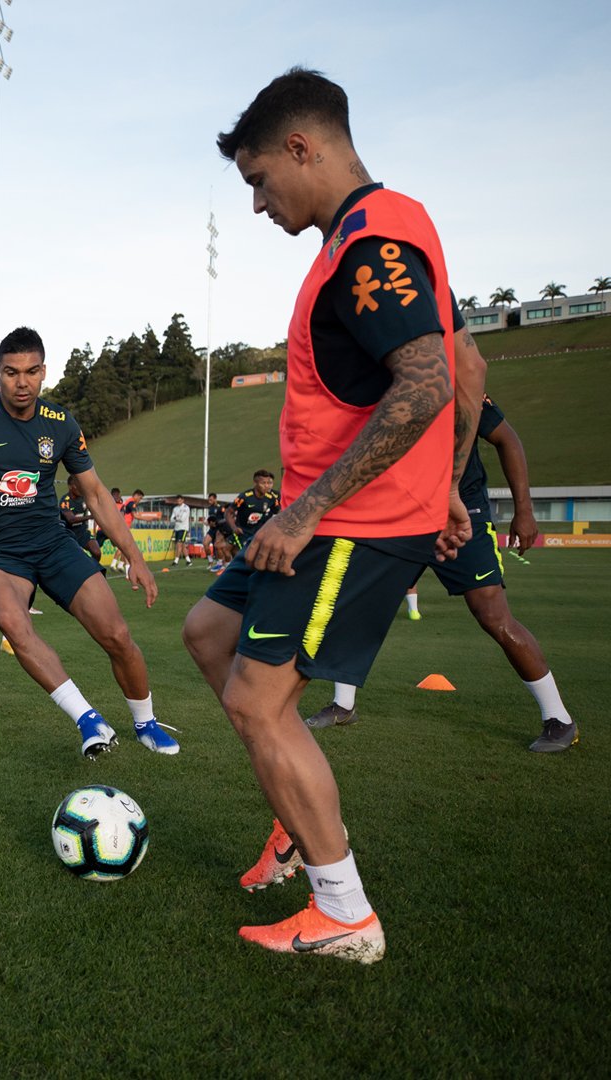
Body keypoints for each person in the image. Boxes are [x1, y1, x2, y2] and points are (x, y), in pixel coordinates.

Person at [182, 68, 481, 963]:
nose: (258, 203)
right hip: (361, 508)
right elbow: (464, 364)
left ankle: (343, 911)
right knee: (207, 634)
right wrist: (450, 485)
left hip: (349, 520)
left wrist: (310, 509)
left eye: (259, 179)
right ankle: (289, 817)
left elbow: (427, 379)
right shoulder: (378, 229)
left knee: (260, 705)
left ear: (301, 147)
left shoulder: (368, 241)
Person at [0, 325, 178, 758]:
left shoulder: (61, 423)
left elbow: (96, 494)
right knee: (14, 624)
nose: (21, 382)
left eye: (30, 371)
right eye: (11, 372)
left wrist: (134, 556)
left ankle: (146, 723)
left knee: (117, 635)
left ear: (44, 371)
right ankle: (89, 720)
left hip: (53, 544)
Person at [305, 393, 577, 752]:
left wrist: (523, 510)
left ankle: (558, 719)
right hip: (403, 518)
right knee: (357, 604)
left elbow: (507, 439)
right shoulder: (378, 390)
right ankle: (344, 705)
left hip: (464, 514)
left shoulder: (456, 387)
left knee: (492, 615)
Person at [229, 470, 280, 549]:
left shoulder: (271, 498)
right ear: (255, 483)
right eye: (263, 483)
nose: (266, 486)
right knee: (245, 556)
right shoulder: (245, 497)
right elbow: (228, 512)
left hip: (259, 533)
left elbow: (279, 511)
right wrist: (234, 528)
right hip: (243, 532)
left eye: (268, 483)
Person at [61, 473, 103, 563]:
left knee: (97, 552)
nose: (80, 487)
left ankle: (94, 571)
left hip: (83, 532)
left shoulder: (84, 498)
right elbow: (71, 520)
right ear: (71, 487)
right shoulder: (65, 501)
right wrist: (91, 516)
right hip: (69, 534)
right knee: (75, 560)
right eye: (77, 485)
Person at [170, 495, 192, 566]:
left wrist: (176, 518)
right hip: (177, 528)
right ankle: (188, 561)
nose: (178, 502)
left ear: (183, 500)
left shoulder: (186, 508)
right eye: (177, 500)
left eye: (180, 500)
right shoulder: (175, 508)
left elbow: (182, 519)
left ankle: (176, 561)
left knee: (178, 544)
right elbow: (171, 519)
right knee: (182, 545)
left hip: (183, 528)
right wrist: (177, 518)